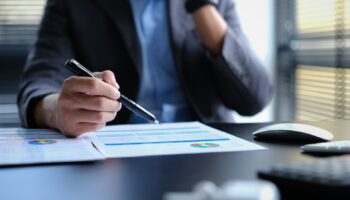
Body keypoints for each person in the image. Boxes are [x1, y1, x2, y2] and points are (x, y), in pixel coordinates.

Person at [17, 0, 272, 137]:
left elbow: (254, 99)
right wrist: (56, 111)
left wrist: (201, 5)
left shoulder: (217, 3)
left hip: (208, 147)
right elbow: (39, 79)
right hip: (114, 153)